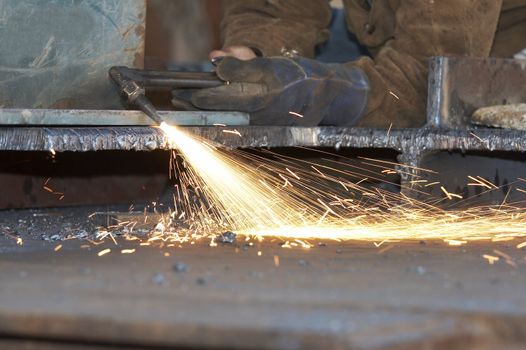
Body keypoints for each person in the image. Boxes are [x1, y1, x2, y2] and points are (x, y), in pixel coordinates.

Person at [172, 0, 526, 127]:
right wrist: (254, 53)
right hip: (387, 39)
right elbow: (277, 7)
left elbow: (430, 81)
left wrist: (323, 92)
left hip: (496, 59)